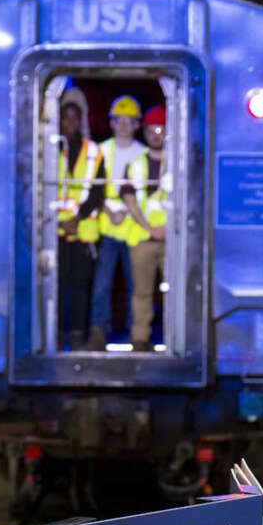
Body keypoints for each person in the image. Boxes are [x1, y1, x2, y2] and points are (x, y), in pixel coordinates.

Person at [87, 95, 146, 351]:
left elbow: (145, 191)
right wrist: (109, 209)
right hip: (108, 227)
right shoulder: (100, 150)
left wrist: (126, 210)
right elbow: (92, 186)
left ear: (136, 125)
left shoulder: (143, 153)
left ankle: (137, 335)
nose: (123, 126)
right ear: (111, 124)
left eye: (129, 121)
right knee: (102, 284)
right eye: (118, 121)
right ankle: (98, 333)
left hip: (134, 228)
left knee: (136, 285)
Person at [53, 98, 106, 350]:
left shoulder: (93, 151)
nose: (70, 123)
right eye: (66, 117)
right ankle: (56, 334)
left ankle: (77, 335)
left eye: (75, 118)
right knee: (55, 285)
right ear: (58, 119)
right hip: (53, 232)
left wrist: (78, 218)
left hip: (83, 232)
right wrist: (59, 223)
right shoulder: (48, 148)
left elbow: (98, 191)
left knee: (81, 287)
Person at [121, 105, 170, 351]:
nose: (155, 134)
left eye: (160, 129)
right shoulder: (135, 164)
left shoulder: (179, 163)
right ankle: (140, 339)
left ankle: (176, 339)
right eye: (151, 129)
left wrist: (167, 228)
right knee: (141, 293)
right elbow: (129, 199)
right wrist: (151, 229)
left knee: (175, 292)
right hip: (142, 239)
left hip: (174, 240)